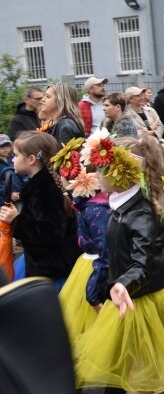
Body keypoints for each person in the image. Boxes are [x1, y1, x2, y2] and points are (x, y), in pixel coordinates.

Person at [72, 135, 164, 393]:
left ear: (120, 173)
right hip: (128, 298)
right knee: (138, 360)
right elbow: (114, 258)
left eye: (102, 169)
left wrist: (122, 284)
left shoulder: (140, 214)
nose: (96, 175)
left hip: (143, 299)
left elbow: (143, 263)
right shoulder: (120, 209)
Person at [0, 131, 79, 291]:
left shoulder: (44, 189)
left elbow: (49, 233)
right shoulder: (39, 184)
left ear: (31, 159)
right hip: (43, 265)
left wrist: (16, 220)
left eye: (16, 155)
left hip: (52, 272)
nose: (13, 159)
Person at [58, 168, 111, 343]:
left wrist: (93, 293)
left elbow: (105, 250)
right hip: (88, 267)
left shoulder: (95, 211)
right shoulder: (87, 206)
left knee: (100, 331)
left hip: (96, 271)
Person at [0, 134, 22, 203]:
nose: (5, 148)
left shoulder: (14, 158)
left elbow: (23, 173)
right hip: (4, 200)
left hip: (19, 196)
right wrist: (10, 193)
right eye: (1, 146)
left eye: (7, 145)